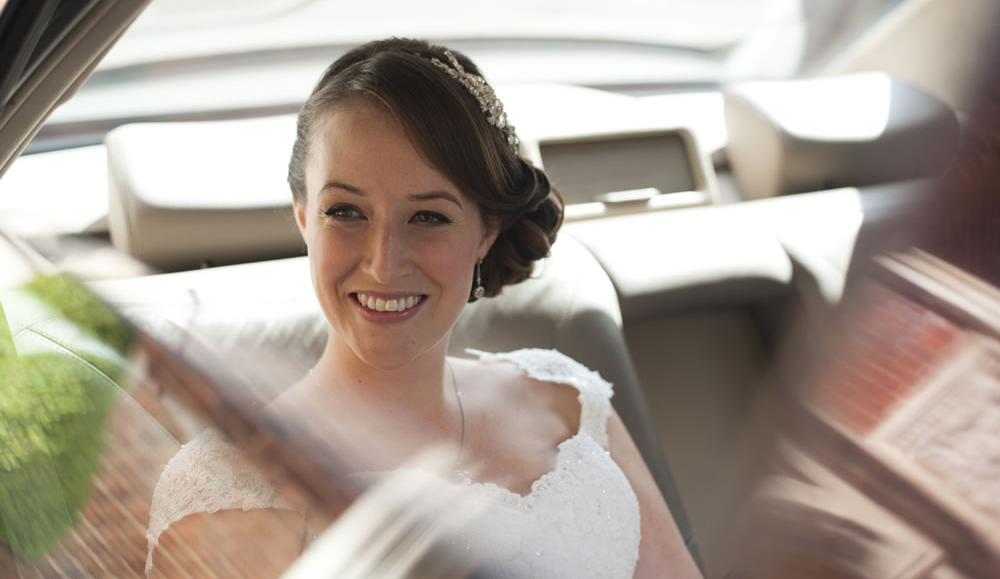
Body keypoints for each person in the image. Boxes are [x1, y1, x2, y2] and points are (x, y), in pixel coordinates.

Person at [145, 38, 702, 579]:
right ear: (302, 218)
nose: (385, 264)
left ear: (487, 230)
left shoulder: (569, 400)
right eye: (345, 211)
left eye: (429, 217)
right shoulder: (234, 485)